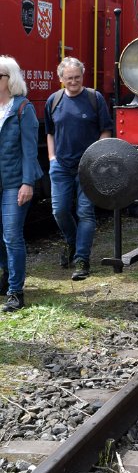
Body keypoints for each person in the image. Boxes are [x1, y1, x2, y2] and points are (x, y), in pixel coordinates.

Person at [45, 57, 113, 281]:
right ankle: (72, 243)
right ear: (61, 78)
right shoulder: (54, 100)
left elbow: (106, 130)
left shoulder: (94, 98)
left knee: (85, 212)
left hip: (89, 166)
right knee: (59, 211)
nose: (73, 81)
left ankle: (82, 259)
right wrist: (52, 158)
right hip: (61, 166)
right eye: (69, 78)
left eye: (77, 77)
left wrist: (96, 157)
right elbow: (50, 132)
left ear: (82, 76)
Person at [0, 56, 42, 312]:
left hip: (15, 182)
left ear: (10, 79)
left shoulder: (23, 108)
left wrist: (28, 183)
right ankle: (6, 276)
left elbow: (29, 150)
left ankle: (16, 292)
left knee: (12, 236)